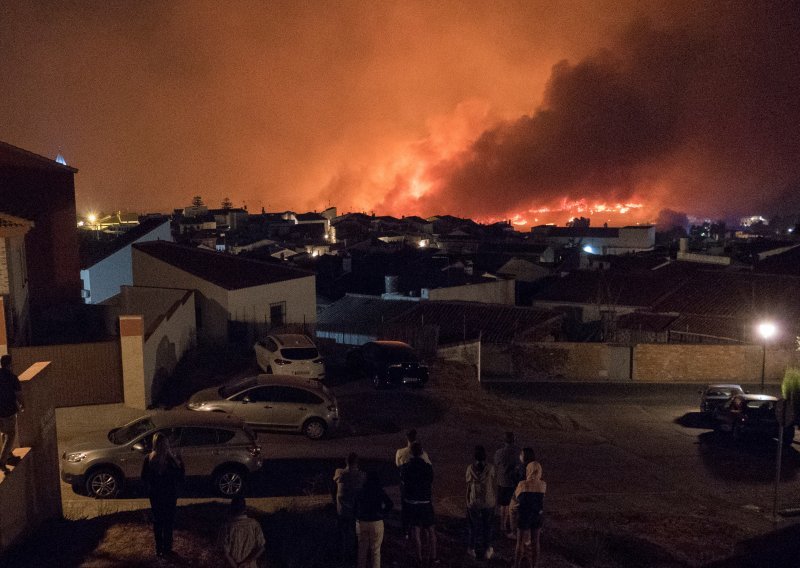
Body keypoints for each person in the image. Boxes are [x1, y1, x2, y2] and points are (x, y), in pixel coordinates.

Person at [141, 432, 185, 558]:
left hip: (155, 495)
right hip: (170, 495)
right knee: (168, 521)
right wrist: (181, 463)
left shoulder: (149, 458)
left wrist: (151, 486)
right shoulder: (171, 460)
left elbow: (144, 477)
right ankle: (167, 548)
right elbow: (181, 478)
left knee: (158, 521)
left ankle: (159, 548)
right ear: (166, 444)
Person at [400, 442, 438, 566]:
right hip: (425, 502)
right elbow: (430, 481)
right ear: (421, 453)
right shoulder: (427, 467)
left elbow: (403, 482)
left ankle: (419, 558)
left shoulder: (406, 467)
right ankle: (433, 557)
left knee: (415, 530)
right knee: (431, 530)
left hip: (412, 502)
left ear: (411, 453)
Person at [395, 429, 431, 539]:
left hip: (407, 487)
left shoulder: (400, 453)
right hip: (421, 488)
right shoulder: (424, 455)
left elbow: (398, 467)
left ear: (407, 438)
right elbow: (429, 472)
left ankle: (406, 531)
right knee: (421, 511)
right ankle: (424, 532)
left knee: (405, 509)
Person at [354, 470, 393, 568]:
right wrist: (383, 513)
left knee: (362, 550)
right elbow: (390, 504)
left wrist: (357, 516)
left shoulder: (360, 491)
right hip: (376, 521)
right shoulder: (379, 491)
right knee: (375, 551)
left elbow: (354, 507)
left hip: (362, 522)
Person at [333, 452, 366, 565]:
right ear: (357, 463)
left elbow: (336, 478)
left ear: (346, 462)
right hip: (354, 511)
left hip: (342, 511)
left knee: (342, 534)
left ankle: (342, 557)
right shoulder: (361, 476)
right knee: (353, 533)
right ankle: (352, 557)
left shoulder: (340, 473)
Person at [512, 461, 546, 568]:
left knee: (520, 542)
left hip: (524, 515)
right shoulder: (543, 485)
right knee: (536, 542)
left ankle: (516, 565)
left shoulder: (522, 484)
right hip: (537, 515)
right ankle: (534, 566)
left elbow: (516, 498)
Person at [465, 445, 496, 560]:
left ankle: (472, 548)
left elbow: (468, 485)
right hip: (488, 501)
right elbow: (493, 481)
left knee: (473, 526)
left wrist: (467, 500)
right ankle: (488, 548)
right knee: (488, 526)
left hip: (474, 501)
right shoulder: (490, 468)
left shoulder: (470, 468)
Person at [219, 495, 266, 568]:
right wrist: (248, 562)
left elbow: (225, 553)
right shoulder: (254, 524)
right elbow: (261, 547)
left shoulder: (227, 526)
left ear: (231, 509)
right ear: (245, 508)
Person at [494, 431, 520, 538]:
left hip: (503, 481)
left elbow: (497, 463)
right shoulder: (518, 452)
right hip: (514, 481)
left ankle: (503, 526)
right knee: (512, 505)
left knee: (503, 505)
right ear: (514, 440)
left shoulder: (499, 452)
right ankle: (512, 525)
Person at [0, 354, 23, 474]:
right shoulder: (12, 377)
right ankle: (2, 461)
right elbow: (18, 394)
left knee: (4, 432)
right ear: (10, 364)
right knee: (11, 434)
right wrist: (22, 405)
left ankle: (8, 455)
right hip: (8, 411)